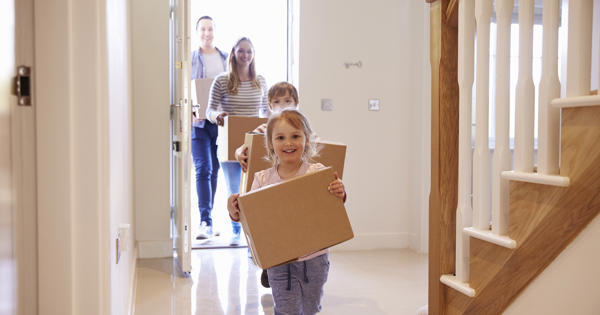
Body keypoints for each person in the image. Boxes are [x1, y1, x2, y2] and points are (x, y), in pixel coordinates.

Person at [227, 109, 347, 314]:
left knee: (310, 309)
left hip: (315, 260)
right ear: (271, 144)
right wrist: (234, 210)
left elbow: (332, 207)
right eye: (280, 138)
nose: (288, 143)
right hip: (279, 263)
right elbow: (250, 219)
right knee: (286, 309)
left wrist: (340, 192)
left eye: (295, 136)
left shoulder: (317, 173)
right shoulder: (262, 179)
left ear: (306, 140)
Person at [206, 37, 268, 246]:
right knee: (235, 189)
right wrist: (217, 116)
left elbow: (266, 111)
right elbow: (209, 110)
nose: (245, 55)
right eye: (241, 51)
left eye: (249, 51)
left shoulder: (260, 81)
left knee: (255, 190)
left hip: (255, 144)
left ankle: (253, 236)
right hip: (230, 144)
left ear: (253, 54)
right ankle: (235, 230)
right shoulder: (222, 81)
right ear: (233, 53)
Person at [191, 16, 228, 240]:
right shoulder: (192, 58)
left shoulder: (225, 58)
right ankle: (205, 220)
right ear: (198, 32)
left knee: (215, 170)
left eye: (210, 29)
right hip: (199, 123)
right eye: (203, 29)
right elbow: (184, 85)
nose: (207, 33)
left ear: (215, 31)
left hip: (220, 122)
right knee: (202, 167)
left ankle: (209, 217)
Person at [235, 81, 300, 172]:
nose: (282, 106)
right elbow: (244, 146)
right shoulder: (264, 128)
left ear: (296, 104)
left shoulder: (302, 128)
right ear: (270, 106)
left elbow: (318, 146)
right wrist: (239, 153)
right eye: (276, 102)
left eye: (287, 101)